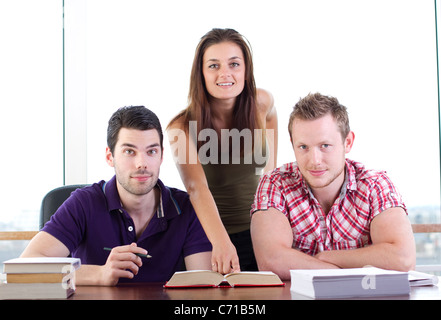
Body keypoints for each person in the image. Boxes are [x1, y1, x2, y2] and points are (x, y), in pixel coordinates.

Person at [21, 106, 212, 285]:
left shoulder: (186, 207)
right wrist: (99, 274)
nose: (141, 163)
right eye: (129, 151)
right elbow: (25, 268)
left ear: (161, 156)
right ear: (109, 157)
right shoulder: (83, 203)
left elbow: (203, 285)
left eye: (151, 151)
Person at [250, 93, 416, 280]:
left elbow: (402, 258)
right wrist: (344, 273)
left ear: (348, 142)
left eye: (325, 146)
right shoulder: (275, 184)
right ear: (293, 145)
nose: (314, 161)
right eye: (303, 147)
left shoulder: (375, 185)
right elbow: (272, 261)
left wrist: (324, 257)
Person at [167, 28, 278, 274]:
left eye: (234, 64)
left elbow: (270, 119)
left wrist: (268, 179)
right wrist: (221, 242)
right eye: (214, 65)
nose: (225, 73)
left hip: (260, 232)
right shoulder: (180, 128)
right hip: (209, 237)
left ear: (246, 71)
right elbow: (196, 188)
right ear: (201, 73)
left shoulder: (262, 103)